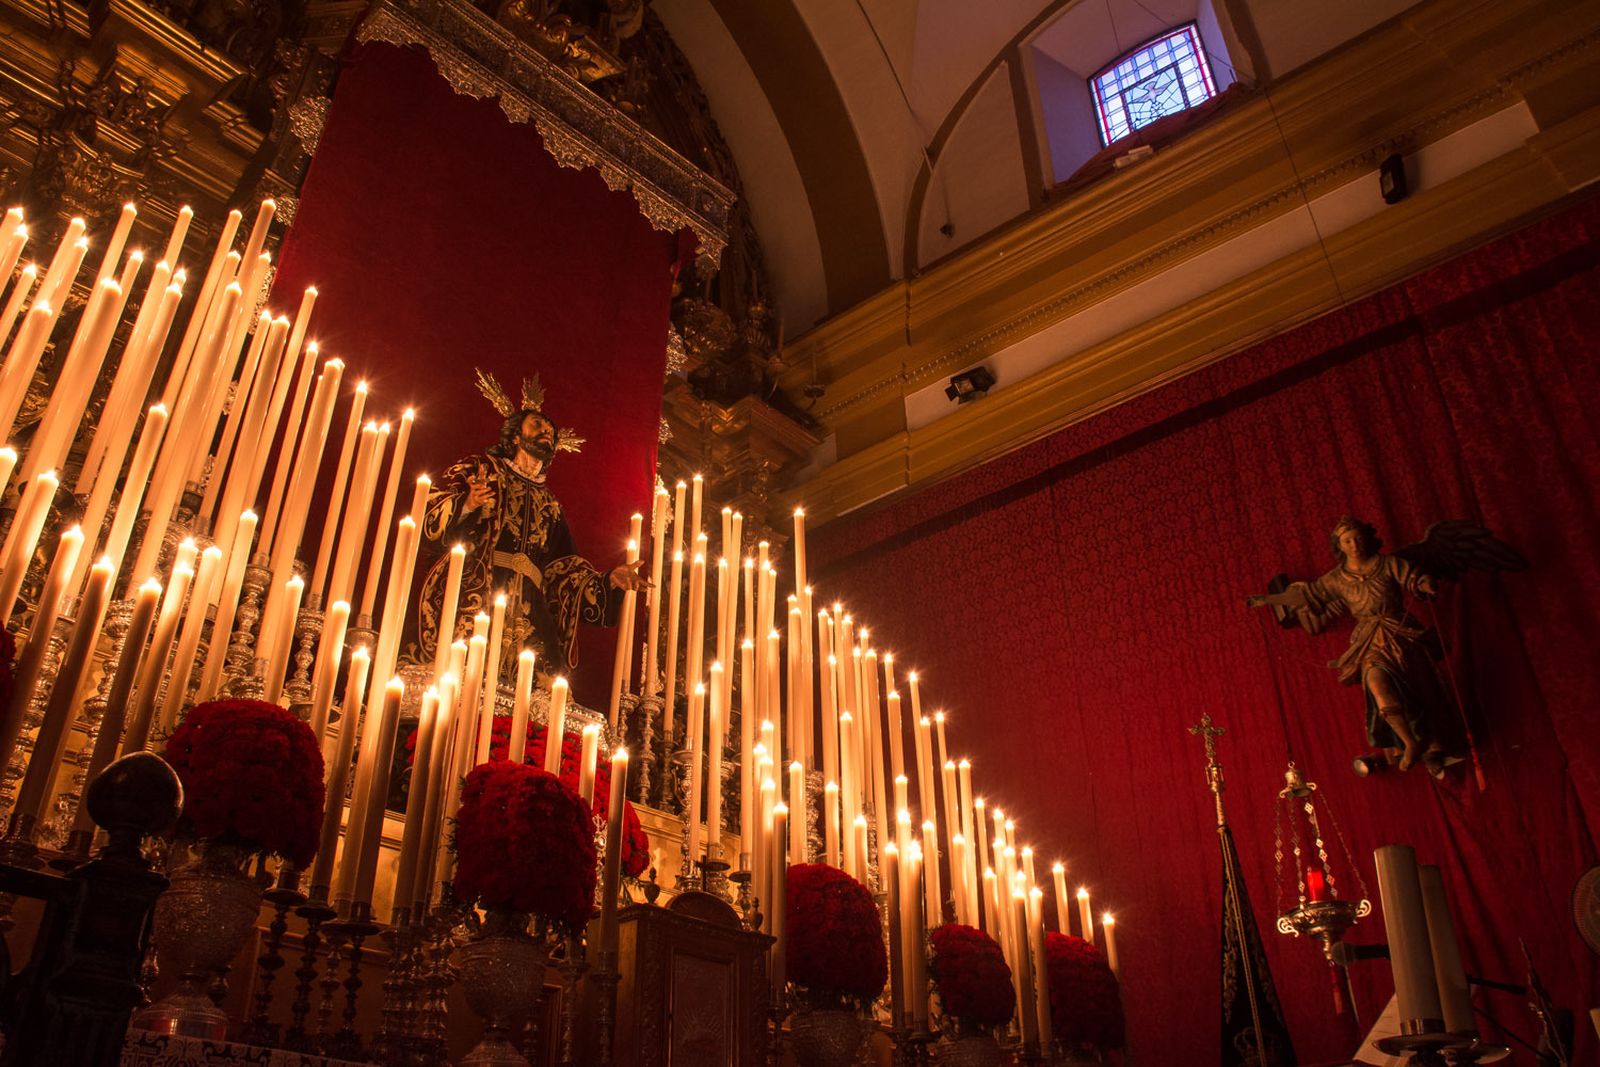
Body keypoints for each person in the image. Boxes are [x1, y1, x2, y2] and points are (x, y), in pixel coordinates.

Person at [417, 370, 646, 679]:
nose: (547, 432)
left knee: (539, 699)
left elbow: (563, 570)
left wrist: (607, 583)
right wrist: (468, 504)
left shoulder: (550, 505)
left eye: (551, 430)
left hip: (531, 616)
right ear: (515, 435)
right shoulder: (483, 469)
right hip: (476, 594)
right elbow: (432, 509)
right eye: (537, 424)